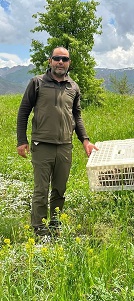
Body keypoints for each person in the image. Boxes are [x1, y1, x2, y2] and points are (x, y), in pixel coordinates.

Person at [17, 46, 97, 238]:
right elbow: (23, 112)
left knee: (60, 189)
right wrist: (22, 140)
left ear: (69, 63)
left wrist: (85, 140)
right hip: (41, 145)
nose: (60, 62)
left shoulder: (73, 87)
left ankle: (55, 224)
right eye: (56, 58)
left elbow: (76, 115)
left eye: (64, 59)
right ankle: (39, 230)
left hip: (64, 147)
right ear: (50, 61)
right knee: (41, 191)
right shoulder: (37, 83)